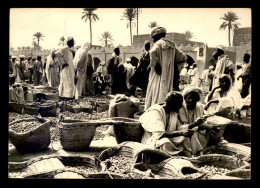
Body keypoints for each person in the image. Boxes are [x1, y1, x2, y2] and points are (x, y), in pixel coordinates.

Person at [139, 90, 207, 156]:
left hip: (170, 137)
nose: (180, 107)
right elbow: (159, 134)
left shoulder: (172, 111)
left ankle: (197, 154)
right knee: (165, 142)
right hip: (154, 139)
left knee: (190, 136)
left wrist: (195, 124)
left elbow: (179, 127)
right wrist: (181, 133)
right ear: (172, 104)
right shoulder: (155, 111)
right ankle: (178, 154)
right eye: (179, 105)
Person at [145, 27, 187, 110]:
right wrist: (174, 68)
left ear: (156, 36)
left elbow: (152, 53)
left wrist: (154, 64)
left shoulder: (157, 44)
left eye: (153, 38)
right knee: (166, 91)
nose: (153, 40)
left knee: (155, 91)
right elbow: (183, 57)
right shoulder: (172, 45)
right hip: (168, 76)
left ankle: (154, 109)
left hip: (157, 74)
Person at [178, 86, 210, 156]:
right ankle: (197, 153)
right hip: (183, 133)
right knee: (190, 134)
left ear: (197, 99)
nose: (191, 100)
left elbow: (204, 122)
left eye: (194, 98)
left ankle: (199, 151)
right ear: (185, 98)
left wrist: (205, 126)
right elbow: (184, 126)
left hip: (198, 131)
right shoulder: (181, 108)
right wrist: (197, 124)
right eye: (189, 98)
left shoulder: (200, 107)